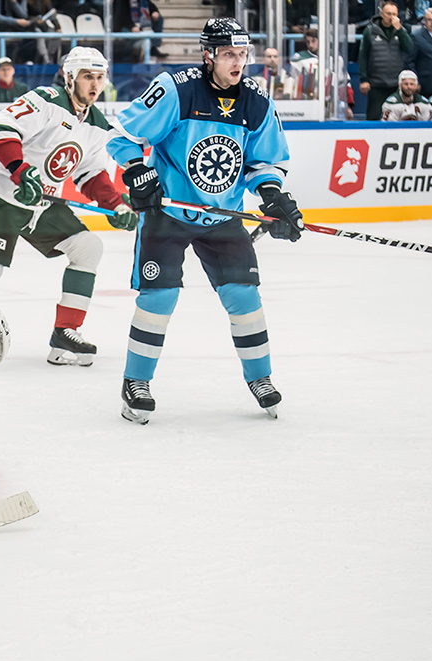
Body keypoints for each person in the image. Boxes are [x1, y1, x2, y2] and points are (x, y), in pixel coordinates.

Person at [106, 18, 303, 425]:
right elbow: (121, 136)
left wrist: (272, 196)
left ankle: (261, 379)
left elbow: (264, 162)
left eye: (243, 54)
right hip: (168, 214)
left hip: (221, 216)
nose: (238, 62)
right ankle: (136, 383)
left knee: (245, 298)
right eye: (229, 54)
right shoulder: (176, 89)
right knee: (159, 299)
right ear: (209, 54)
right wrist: (136, 170)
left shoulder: (256, 101)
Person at [0, 46, 138, 367]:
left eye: (99, 77)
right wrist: (20, 171)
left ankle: (65, 333)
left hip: (42, 205)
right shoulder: (45, 100)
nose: (94, 84)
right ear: (69, 77)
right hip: (0, 197)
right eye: (87, 76)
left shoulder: (97, 125)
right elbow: (1, 130)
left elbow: (90, 174)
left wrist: (116, 203)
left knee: (88, 247)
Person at [359, 1, 416, 120]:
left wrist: (400, 30)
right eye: (388, 14)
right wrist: (363, 79)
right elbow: (363, 55)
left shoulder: (402, 31)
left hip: (396, 85)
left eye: (394, 14)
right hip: (376, 83)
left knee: (397, 118)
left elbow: (409, 48)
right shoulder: (370, 31)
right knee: (373, 118)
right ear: (381, 14)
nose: (391, 17)